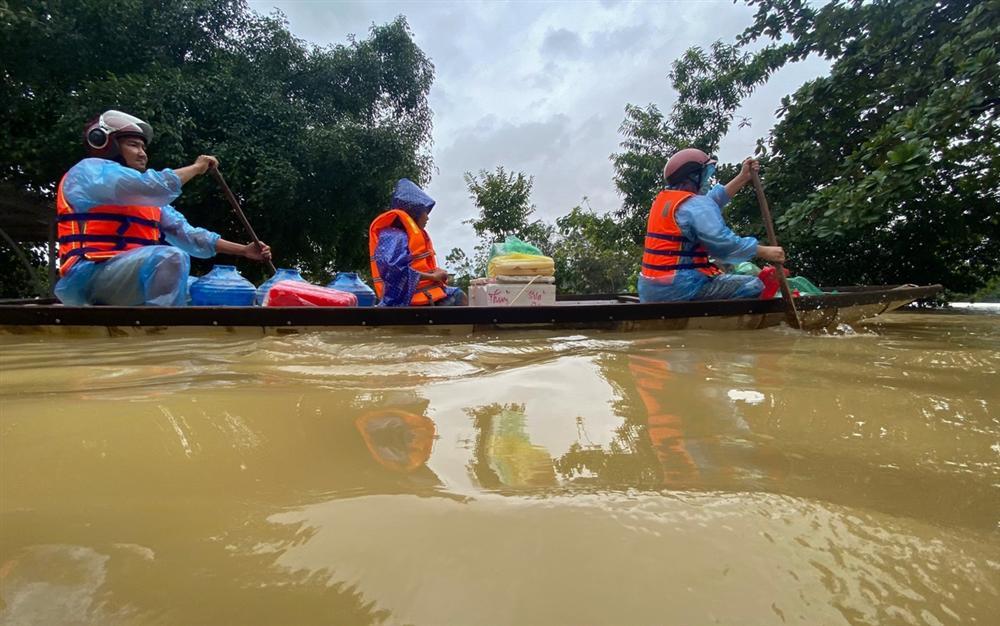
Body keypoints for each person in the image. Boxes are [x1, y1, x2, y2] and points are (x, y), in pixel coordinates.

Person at [54, 110, 271, 306]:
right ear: (102, 142)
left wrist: (243, 250)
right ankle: (160, 332)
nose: (142, 153)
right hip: (88, 279)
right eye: (133, 145)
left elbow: (188, 235)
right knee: (170, 258)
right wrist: (196, 168)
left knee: (212, 291)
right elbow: (153, 187)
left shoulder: (146, 199)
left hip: (132, 277)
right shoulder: (87, 173)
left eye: (143, 147)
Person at [637, 148, 786, 303]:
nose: (707, 181)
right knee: (753, 284)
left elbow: (710, 203)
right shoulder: (694, 205)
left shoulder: (665, 201)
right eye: (705, 175)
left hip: (651, 289)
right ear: (693, 177)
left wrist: (743, 177)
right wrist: (763, 251)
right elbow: (723, 244)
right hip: (680, 288)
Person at [368, 178, 467, 307]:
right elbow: (395, 272)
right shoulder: (394, 236)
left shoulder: (405, 235)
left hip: (423, 292)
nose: (427, 217)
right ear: (414, 213)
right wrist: (434, 277)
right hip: (406, 300)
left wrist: (434, 272)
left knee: (458, 294)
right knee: (458, 298)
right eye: (425, 212)